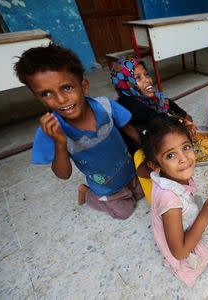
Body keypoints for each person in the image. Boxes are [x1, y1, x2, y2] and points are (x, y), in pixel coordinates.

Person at [15, 43, 148, 219]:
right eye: (47, 93)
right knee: (125, 212)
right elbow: (63, 175)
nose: (61, 99)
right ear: (38, 97)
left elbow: (131, 131)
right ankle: (88, 193)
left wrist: (152, 153)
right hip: (105, 186)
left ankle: (118, 189)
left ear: (84, 86)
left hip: (129, 171)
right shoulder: (50, 131)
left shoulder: (106, 105)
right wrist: (60, 143)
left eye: (67, 87)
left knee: (142, 193)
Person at [141, 116, 208, 287]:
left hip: (183, 222)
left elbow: (142, 170)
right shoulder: (170, 201)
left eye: (186, 147)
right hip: (188, 253)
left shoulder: (163, 174)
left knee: (203, 201)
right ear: (155, 165)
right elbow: (180, 252)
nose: (183, 159)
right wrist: (204, 216)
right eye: (171, 155)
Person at [110, 58, 198, 154]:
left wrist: (184, 115)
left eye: (146, 74)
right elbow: (157, 119)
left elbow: (168, 103)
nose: (147, 80)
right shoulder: (127, 102)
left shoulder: (145, 96)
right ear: (126, 83)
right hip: (137, 147)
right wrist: (182, 122)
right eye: (138, 78)